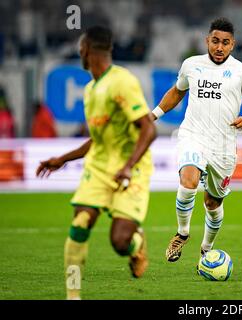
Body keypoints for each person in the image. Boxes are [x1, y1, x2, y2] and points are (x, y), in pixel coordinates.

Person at [36, 26, 157, 299]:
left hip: (131, 169)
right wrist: (62, 159)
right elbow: (97, 139)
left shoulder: (122, 82)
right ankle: (73, 296)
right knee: (80, 223)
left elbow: (148, 129)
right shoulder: (90, 89)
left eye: (80, 48)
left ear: (87, 50)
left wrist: (127, 166)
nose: (79, 52)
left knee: (119, 241)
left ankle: (136, 244)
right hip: (99, 168)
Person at [151, 17, 242, 263]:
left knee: (213, 203)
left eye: (225, 43)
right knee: (188, 180)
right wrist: (154, 114)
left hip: (224, 146)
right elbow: (177, 91)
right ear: (207, 40)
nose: (219, 47)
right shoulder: (191, 65)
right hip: (193, 136)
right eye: (215, 41)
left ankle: (206, 247)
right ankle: (182, 233)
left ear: (232, 45)